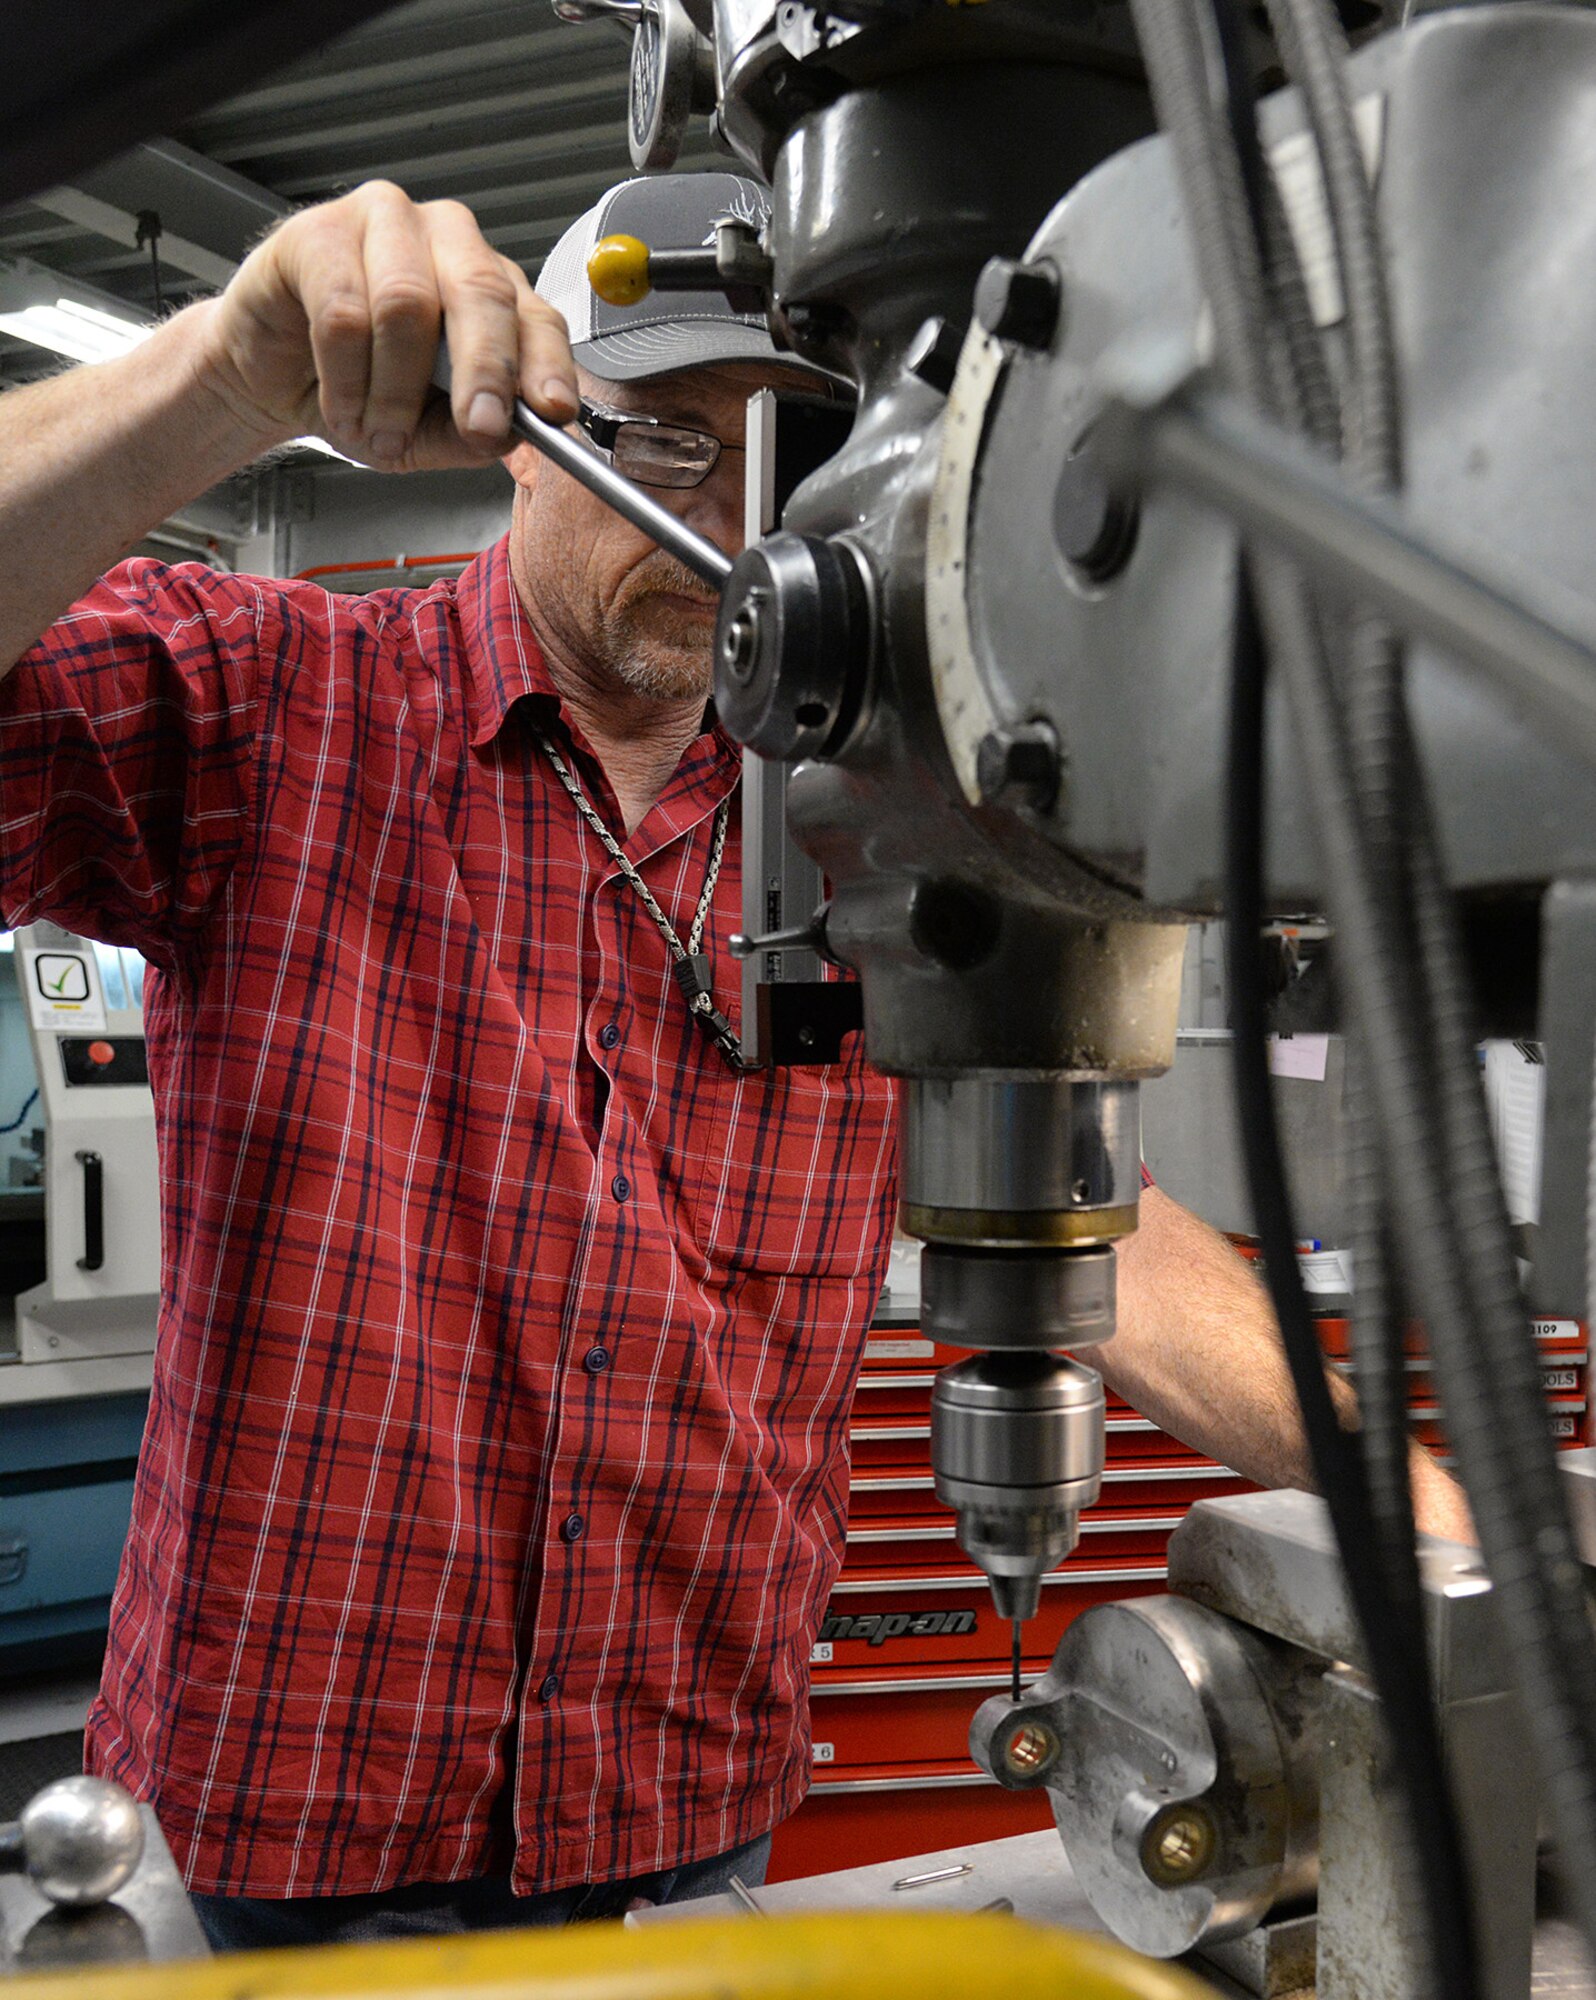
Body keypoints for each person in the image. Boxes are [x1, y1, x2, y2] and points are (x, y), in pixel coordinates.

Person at [0, 169, 1468, 1949]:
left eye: (784, 465)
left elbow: (1096, 1221)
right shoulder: (270, 705)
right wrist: (215, 383)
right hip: (298, 1825)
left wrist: (1414, 1510)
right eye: (658, 445)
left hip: (682, 1822)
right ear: (523, 436)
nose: (725, 522)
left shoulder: (873, 825)